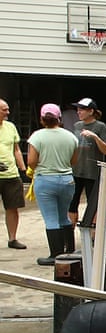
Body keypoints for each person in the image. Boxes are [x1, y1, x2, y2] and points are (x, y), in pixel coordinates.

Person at [26, 103, 78, 266]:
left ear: (42, 119)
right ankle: (70, 251)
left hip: (45, 180)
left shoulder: (37, 136)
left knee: (51, 219)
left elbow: (31, 161)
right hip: (67, 180)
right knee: (64, 216)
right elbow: (73, 161)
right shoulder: (70, 136)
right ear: (59, 119)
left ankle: (56, 255)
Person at [68, 97, 106, 232]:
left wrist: (95, 137)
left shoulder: (100, 126)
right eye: (78, 109)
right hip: (76, 170)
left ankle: (93, 235)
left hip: (92, 172)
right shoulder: (77, 126)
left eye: (82, 109)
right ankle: (69, 233)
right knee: (72, 202)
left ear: (91, 111)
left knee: (93, 204)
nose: (78, 112)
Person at [0, 99, 29, 249]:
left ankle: (12, 238)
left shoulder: (10, 126)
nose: (8, 112)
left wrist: (23, 169)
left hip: (11, 174)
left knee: (13, 207)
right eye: (4, 109)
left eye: (7, 109)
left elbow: (16, 149)